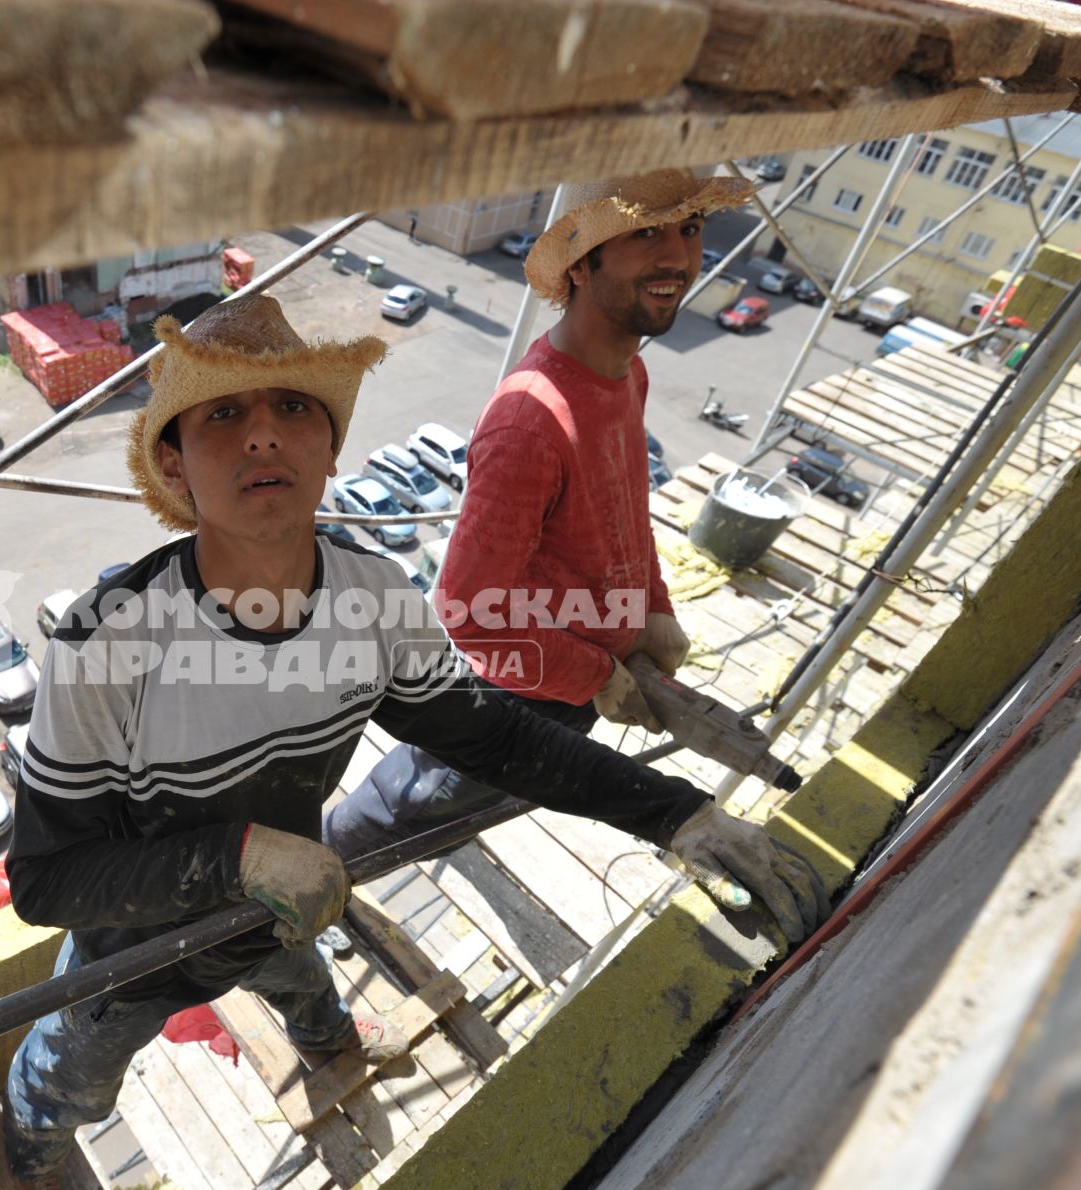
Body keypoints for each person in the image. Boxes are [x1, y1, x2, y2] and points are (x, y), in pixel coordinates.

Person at [0, 293, 824, 1190]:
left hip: (277, 912)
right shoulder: (112, 640)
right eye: (224, 413)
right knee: (66, 1077)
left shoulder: (370, 601)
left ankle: (333, 1050)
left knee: (311, 994)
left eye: (294, 408)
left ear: (332, 448)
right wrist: (236, 856)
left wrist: (676, 814)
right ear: (173, 466)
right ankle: (38, 1156)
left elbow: (495, 736)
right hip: (133, 952)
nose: (264, 433)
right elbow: (45, 879)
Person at [326, 168, 764, 867]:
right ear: (582, 263)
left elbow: (627, 510)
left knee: (470, 809)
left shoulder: (630, 375)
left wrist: (652, 605)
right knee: (399, 812)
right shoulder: (531, 419)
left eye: (690, 229)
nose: (678, 256)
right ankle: (297, 894)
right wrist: (595, 675)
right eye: (645, 232)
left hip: (583, 680)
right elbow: (470, 611)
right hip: (516, 690)